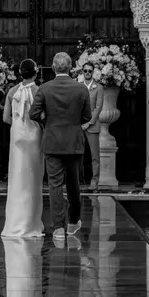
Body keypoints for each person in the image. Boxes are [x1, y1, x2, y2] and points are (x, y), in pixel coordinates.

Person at [30, 52, 91, 241]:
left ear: (53, 67)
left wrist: (47, 120)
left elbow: (33, 113)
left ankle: (58, 228)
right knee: (74, 184)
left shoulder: (44, 88)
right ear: (71, 67)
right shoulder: (81, 88)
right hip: (74, 141)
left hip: (53, 141)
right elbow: (87, 117)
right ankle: (73, 222)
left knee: (55, 185)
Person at [1, 59, 44, 238]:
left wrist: (19, 124)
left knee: (17, 177)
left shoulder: (12, 91)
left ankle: (14, 223)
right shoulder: (39, 91)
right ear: (36, 73)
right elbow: (43, 116)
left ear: (20, 73)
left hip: (17, 137)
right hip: (34, 137)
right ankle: (31, 223)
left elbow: (5, 118)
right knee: (33, 178)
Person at [78, 62, 104, 190]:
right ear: (82, 72)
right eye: (85, 71)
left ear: (93, 72)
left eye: (90, 71)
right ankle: (78, 180)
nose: (87, 73)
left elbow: (98, 108)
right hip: (79, 126)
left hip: (92, 126)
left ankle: (94, 181)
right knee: (77, 155)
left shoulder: (99, 87)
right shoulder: (78, 86)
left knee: (95, 156)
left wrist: (89, 123)